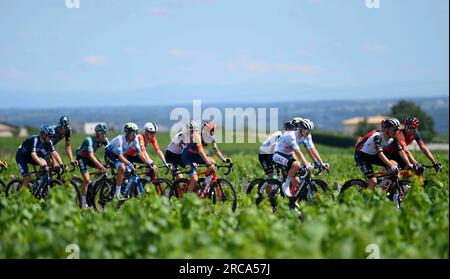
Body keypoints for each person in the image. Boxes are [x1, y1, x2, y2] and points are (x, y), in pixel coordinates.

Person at [354, 118, 412, 190]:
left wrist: (409, 164)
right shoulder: (377, 137)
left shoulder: (393, 139)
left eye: (397, 129)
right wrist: (391, 166)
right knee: (373, 181)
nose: (396, 132)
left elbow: (401, 152)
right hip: (362, 156)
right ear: (386, 129)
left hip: (373, 155)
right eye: (394, 129)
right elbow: (381, 154)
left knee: (394, 163)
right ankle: (366, 198)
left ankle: (382, 182)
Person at [104, 123, 156, 199]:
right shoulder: (120, 140)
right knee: (122, 167)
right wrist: (130, 165)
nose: (135, 135)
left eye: (136, 132)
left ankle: (122, 185)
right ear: (128, 133)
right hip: (110, 154)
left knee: (129, 172)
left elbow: (140, 153)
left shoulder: (135, 140)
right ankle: (117, 194)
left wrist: (148, 164)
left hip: (119, 155)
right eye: (133, 133)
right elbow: (120, 156)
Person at [272, 120, 315, 198]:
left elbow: (312, 149)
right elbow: (297, 151)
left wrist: (319, 163)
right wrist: (306, 163)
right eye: (307, 131)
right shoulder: (291, 135)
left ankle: (292, 202)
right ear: (301, 129)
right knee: (297, 164)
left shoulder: (306, 135)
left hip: (288, 155)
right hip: (278, 154)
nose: (308, 134)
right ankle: (286, 185)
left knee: (298, 180)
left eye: (309, 132)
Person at [75, 123, 109, 208]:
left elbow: (111, 150)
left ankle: (92, 183)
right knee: (86, 179)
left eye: (103, 132)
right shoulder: (89, 140)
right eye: (98, 132)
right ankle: (83, 203)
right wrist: (99, 165)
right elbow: (91, 155)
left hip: (90, 158)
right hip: (82, 157)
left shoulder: (104, 140)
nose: (101, 134)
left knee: (102, 170)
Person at [181, 120, 217, 192]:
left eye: (213, 130)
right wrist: (208, 164)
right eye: (211, 130)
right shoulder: (197, 136)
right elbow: (201, 151)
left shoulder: (210, 138)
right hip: (186, 158)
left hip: (195, 156)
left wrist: (224, 159)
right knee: (194, 179)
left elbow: (216, 150)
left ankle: (205, 187)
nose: (212, 132)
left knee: (213, 161)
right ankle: (186, 199)